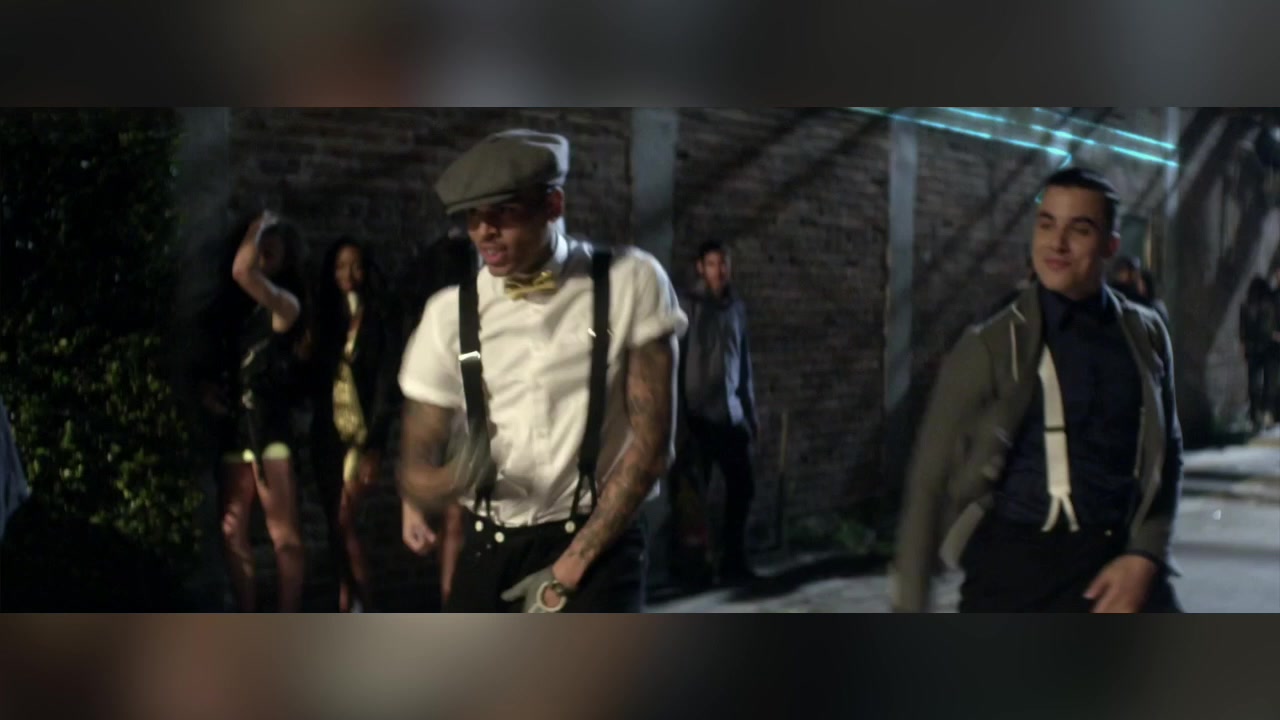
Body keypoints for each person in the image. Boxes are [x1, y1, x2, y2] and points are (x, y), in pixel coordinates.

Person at [397, 128, 687, 612]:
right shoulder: (448, 313)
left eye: (503, 212)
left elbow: (653, 446)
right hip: (490, 545)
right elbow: (416, 456)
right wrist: (439, 483)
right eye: (472, 217)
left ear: (553, 204)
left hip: (598, 547)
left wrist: (568, 571)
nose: (484, 231)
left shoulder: (629, 281)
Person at [892, 167, 1183, 613]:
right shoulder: (989, 346)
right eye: (1047, 224)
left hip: (1116, 563)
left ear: (1110, 245)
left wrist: (1146, 553)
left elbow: (1168, 452)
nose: (1056, 244)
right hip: (1018, 572)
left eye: (1079, 229)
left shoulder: (1145, 334)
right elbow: (928, 483)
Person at [213, 211, 308, 612]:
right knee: (232, 530)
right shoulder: (235, 314)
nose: (262, 250)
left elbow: (242, 271)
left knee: (283, 533)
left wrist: (258, 225)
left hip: (270, 429)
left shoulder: (285, 305)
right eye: (258, 243)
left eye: (271, 245)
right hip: (237, 428)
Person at [308, 237, 403, 612]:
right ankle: (347, 601)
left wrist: (375, 446)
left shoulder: (379, 317)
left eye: (356, 265)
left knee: (344, 519)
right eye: (340, 266)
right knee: (335, 524)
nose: (348, 274)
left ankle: (366, 605)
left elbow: (386, 384)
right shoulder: (325, 318)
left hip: (362, 436)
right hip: (327, 435)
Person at [671, 239, 760, 584]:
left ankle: (733, 561)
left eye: (723, 264)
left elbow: (743, 363)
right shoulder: (687, 306)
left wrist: (750, 413)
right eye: (712, 264)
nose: (719, 271)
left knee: (743, 488)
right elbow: (674, 361)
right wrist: (678, 419)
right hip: (697, 417)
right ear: (700, 268)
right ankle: (693, 569)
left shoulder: (736, 308)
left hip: (731, 415)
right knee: (693, 497)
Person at [1239, 276, 1274, 430]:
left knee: (1253, 383)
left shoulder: (1246, 305)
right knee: (1267, 382)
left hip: (1252, 348)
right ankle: (1264, 413)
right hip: (1266, 347)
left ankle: (1255, 414)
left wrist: (1244, 346)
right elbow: (1267, 328)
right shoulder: (1268, 306)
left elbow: (1242, 330)